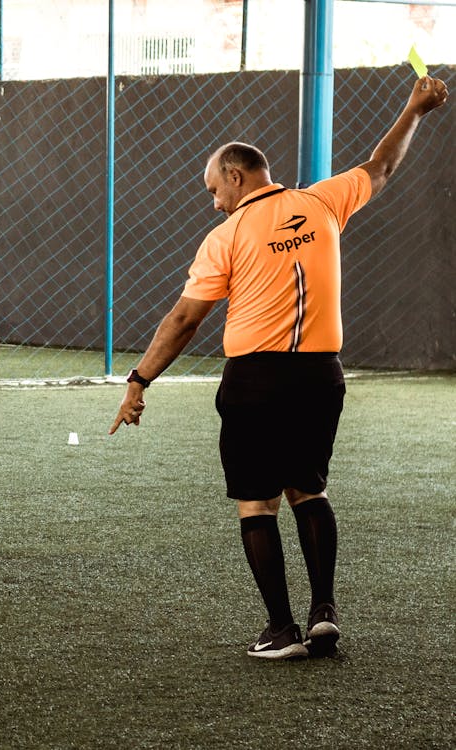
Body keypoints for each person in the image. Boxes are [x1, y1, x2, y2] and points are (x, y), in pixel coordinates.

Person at [109, 76, 448, 660]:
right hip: (321, 376)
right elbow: (382, 165)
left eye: (214, 188)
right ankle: (324, 613)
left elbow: (184, 320)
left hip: (255, 382)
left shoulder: (226, 234)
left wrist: (138, 381)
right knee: (308, 491)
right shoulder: (322, 202)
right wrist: (416, 108)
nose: (213, 200)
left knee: (256, 503)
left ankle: (280, 629)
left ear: (236, 178)